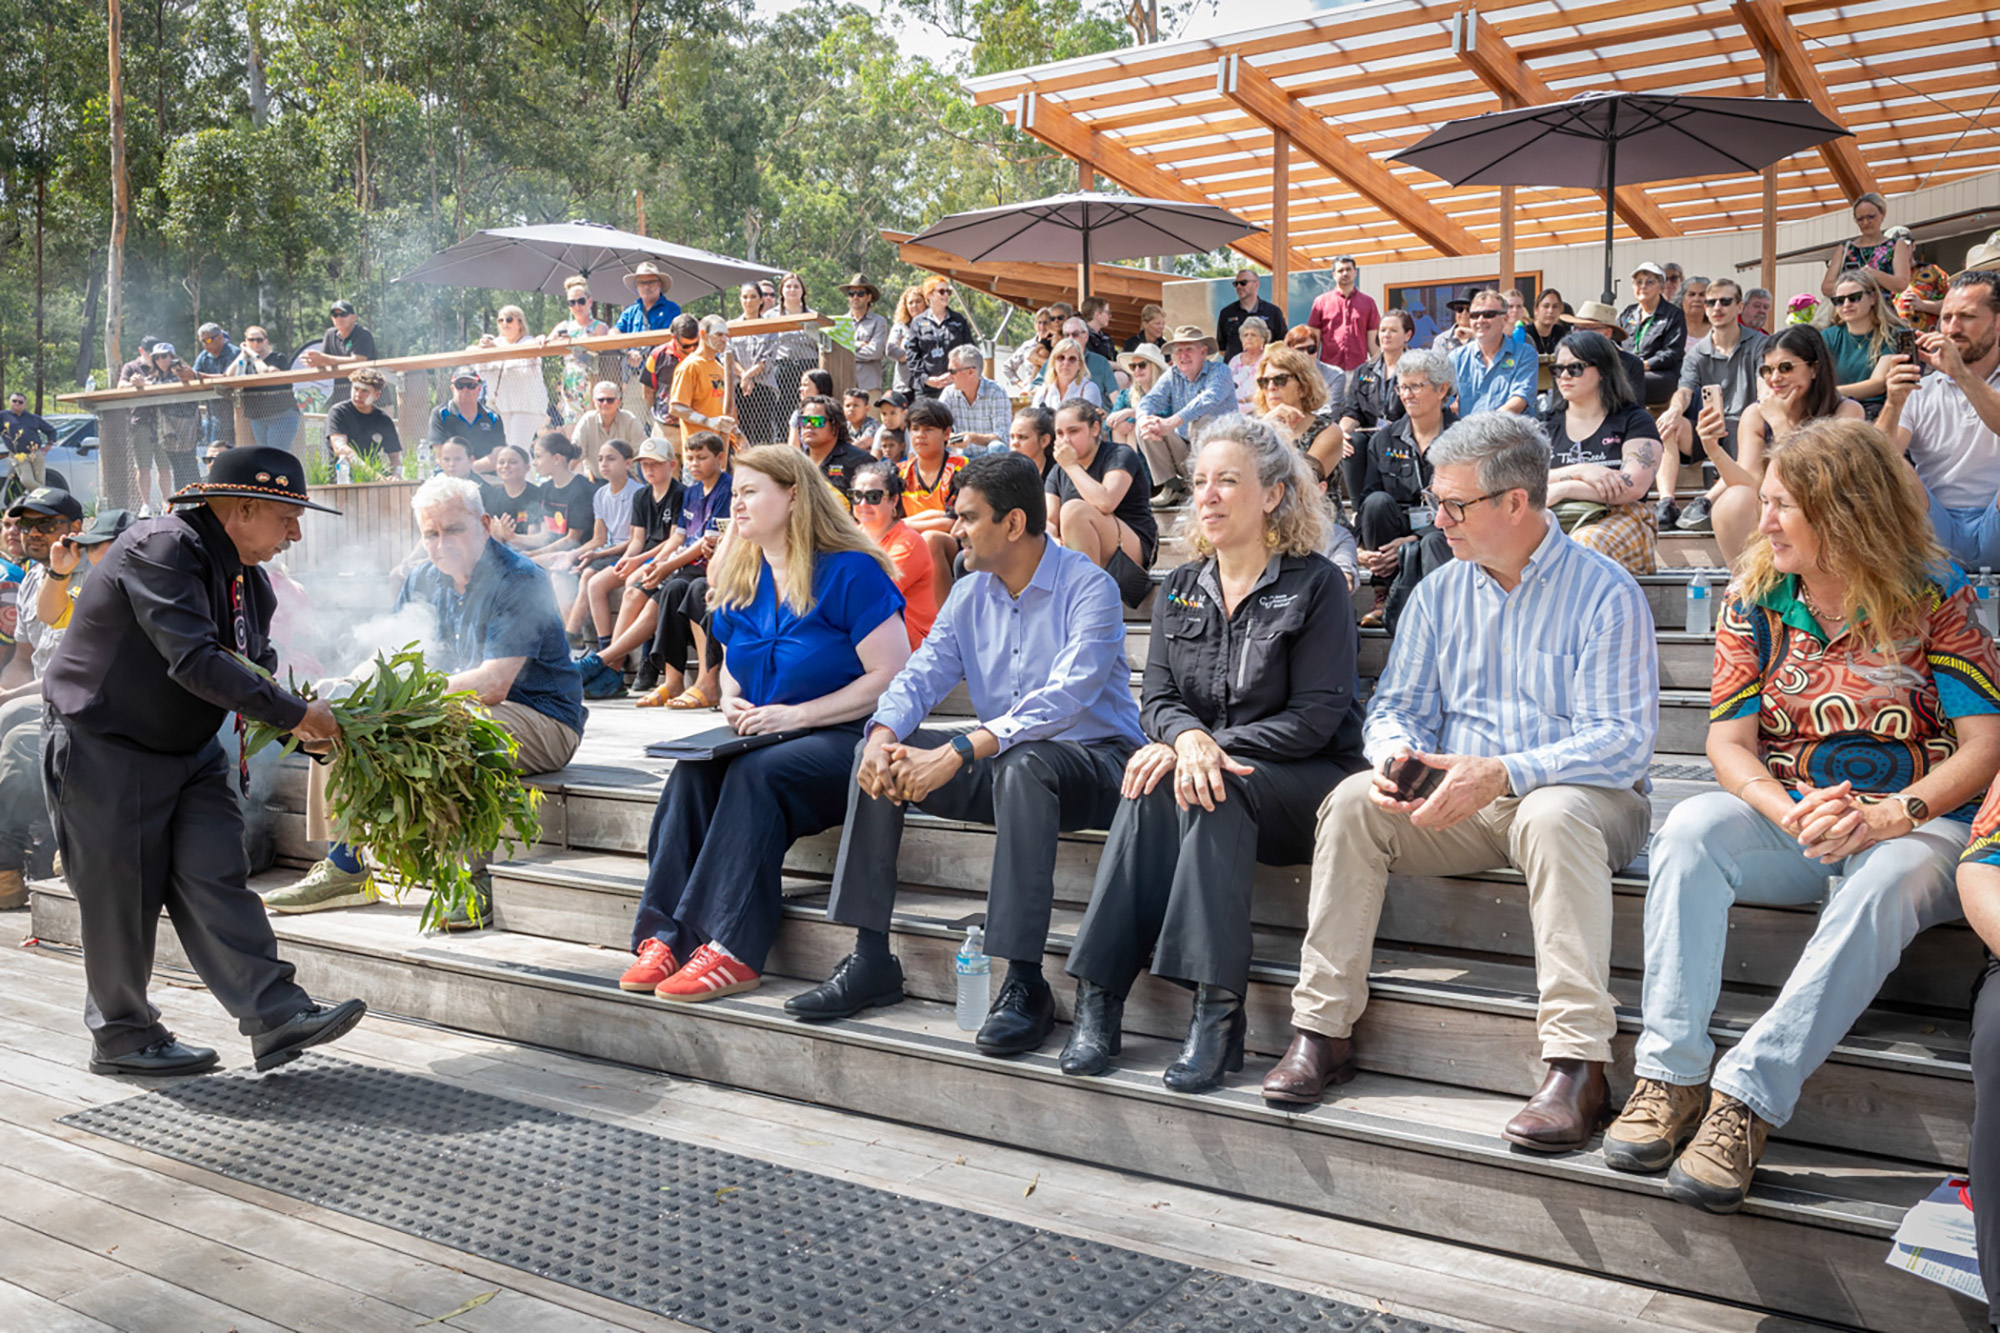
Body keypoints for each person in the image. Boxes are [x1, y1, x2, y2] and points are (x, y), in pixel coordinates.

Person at [1607, 419, 2000, 1213]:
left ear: (1845, 508)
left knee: (1888, 873)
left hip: (1919, 821)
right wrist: (1786, 813)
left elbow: (1986, 744)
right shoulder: (1758, 594)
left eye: (1784, 504)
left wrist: (1893, 814)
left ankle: (1747, 1100)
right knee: (1687, 832)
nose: (1764, 520)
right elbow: (1727, 742)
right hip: (1796, 815)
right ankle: (1671, 1074)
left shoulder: (1934, 593)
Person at [1265, 414, 1657, 1153]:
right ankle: (1323, 1027)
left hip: (1587, 800)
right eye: (1435, 503)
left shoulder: (1606, 592)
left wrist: (1505, 771)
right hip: (1463, 796)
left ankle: (1578, 1064)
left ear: (1516, 502)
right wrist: (1395, 760)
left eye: (1455, 506)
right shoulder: (1440, 592)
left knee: (1550, 814)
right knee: (1352, 801)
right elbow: (1397, 709)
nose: (1435, 520)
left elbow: (1621, 742)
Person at [785, 451, 1139, 1052]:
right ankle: (871, 958)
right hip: (1005, 763)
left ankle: (1025, 982)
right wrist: (881, 735)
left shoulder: (1090, 588)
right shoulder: (971, 593)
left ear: (1014, 524)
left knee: (1025, 764)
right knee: (880, 753)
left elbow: (1067, 700)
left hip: (1098, 765)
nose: (953, 530)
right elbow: (920, 675)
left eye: (969, 517)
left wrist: (958, 748)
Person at [1062, 418, 1365, 1090]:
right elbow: (1159, 699)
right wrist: (1187, 741)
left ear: (1274, 495)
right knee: (1150, 785)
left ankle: (1215, 1011)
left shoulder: (1317, 586)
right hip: (1218, 773)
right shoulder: (1179, 585)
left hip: (1308, 781)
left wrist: (1203, 748)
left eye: (1229, 480)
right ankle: (1101, 997)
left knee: (1211, 782)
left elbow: (1316, 718)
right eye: (1200, 481)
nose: (1209, 495)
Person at [42, 446, 365, 1075]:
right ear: (242, 509)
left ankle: (275, 1013)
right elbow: (193, 660)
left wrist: (304, 728)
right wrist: (297, 716)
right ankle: (123, 1037)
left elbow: (253, 668)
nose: (295, 534)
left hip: (188, 749)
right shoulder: (161, 548)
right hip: (105, 744)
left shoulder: (251, 579)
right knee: (121, 897)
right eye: (287, 518)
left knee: (217, 871)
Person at [614, 444, 911, 1001]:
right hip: (767, 732)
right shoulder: (747, 575)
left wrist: (800, 714)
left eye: (751, 492)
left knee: (757, 775)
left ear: (794, 496)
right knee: (691, 774)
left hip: (851, 739)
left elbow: (892, 677)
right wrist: (729, 701)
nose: (738, 505)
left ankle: (730, 946)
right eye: (736, 493)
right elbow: (729, 667)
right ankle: (667, 936)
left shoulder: (851, 572)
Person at [267, 474, 587, 927]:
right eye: (430, 534)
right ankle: (345, 868)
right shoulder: (421, 578)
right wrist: (353, 688)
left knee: (460, 723)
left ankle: (470, 878)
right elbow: (398, 655)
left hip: (542, 718)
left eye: (454, 530)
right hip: (452, 703)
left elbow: (493, 684)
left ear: (485, 523)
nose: (442, 544)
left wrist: (402, 699)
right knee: (336, 718)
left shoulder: (520, 579)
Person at [1707, 326, 1865, 561]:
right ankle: (1749, 590)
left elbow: (1821, 483)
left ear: (1814, 369)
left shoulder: (1846, 410)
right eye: (1767, 370)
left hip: (1827, 515)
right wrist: (1713, 449)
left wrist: (1781, 423)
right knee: (1733, 500)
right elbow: (1749, 483)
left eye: (1786, 368)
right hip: (1773, 512)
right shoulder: (1757, 414)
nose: (1775, 378)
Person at [1878, 271, 2000, 570]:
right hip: (1934, 527)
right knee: (1892, 465)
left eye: (1967, 317)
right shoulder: (1921, 389)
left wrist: (1961, 374)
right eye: (1946, 318)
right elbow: (1875, 459)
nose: (1953, 328)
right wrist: (1893, 403)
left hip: (1994, 520)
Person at [585, 437, 700, 695]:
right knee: (599, 582)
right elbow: (637, 540)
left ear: (672, 465)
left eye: (655, 464)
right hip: (646, 555)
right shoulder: (641, 495)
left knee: (633, 587)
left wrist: (640, 562)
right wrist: (630, 559)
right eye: (644, 464)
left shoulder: (680, 494)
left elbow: (674, 541)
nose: (648, 469)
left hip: (668, 557)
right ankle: (612, 659)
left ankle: (621, 663)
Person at [1542, 331, 1663, 575]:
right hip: (1554, 516)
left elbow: (1632, 487)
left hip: (1621, 516)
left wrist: (1564, 488)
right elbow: (1523, 481)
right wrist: (1583, 471)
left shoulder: (1634, 420)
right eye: (1558, 369)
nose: (1564, 376)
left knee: (1582, 545)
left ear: (1603, 371)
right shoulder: (1543, 424)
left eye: (1575, 368)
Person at [1351, 349, 1456, 629]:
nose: (1406, 394)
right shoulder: (1384, 439)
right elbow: (1366, 502)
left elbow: (1467, 506)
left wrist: (1413, 539)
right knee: (1376, 503)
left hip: (1443, 533)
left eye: (1416, 386)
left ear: (1441, 388)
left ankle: (1440, 611)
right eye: (1402, 387)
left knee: (1435, 541)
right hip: (1392, 536)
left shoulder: (1463, 438)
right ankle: (1382, 596)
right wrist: (1360, 548)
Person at [1654, 278, 1768, 531]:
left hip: (1749, 427)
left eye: (1725, 301)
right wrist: (1674, 410)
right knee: (1668, 425)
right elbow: (1684, 389)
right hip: (1711, 429)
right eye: (1711, 302)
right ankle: (1666, 503)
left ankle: (1705, 502)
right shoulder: (1696, 352)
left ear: (1739, 307)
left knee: (1753, 428)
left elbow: (1765, 389)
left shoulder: (1760, 344)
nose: (1717, 307)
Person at [1048, 400, 1157, 605]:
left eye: (1073, 431)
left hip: (1130, 552)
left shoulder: (1120, 455)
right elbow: (1049, 521)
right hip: (1084, 552)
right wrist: (1053, 539)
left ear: (1095, 428)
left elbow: (1106, 502)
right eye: (1060, 434)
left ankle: (1089, 603)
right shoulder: (1058, 471)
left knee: (1074, 510)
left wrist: (1072, 467)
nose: (1065, 440)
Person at [1136, 326, 1234, 507]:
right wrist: (1143, 419)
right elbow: (1149, 401)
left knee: (1200, 421)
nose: (1183, 355)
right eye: (1178, 350)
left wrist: (1172, 422)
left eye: (1189, 349)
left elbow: (1208, 400)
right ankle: (1173, 487)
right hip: (1185, 452)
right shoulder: (1172, 375)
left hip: (1224, 458)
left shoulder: (1221, 371)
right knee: (1147, 424)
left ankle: (1202, 486)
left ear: (1203, 352)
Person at [851, 459, 937, 648]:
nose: (863, 503)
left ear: (893, 500)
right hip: (872, 633)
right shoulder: (851, 538)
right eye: (857, 496)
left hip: (911, 646)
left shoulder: (909, 542)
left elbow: (876, 595)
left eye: (873, 496)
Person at [561, 440, 638, 640]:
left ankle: (572, 638)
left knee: (587, 576)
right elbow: (598, 538)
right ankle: (573, 638)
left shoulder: (638, 493)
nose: (604, 464)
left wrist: (598, 554)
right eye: (601, 459)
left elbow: (634, 541)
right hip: (606, 551)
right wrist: (573, 554)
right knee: (562, 571)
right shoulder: (601, 494)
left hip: (627, 552)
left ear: (628, 463)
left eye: (611, 459)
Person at [1337, 309, 1416, 493]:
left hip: (1403, 433)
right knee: (1352, 442)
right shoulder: (1364, 371)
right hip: (1370, 433)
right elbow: (1353, 411)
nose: (1386, 335)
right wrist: (1342, 432)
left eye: (1393, 331)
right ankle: (1358, 511)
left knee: (1380, 442)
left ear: (1407, 335)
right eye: (1382, 330)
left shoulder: (1416, 369)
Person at [1818, 269, 1902, 420]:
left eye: (1854, 298)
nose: (1846, 304)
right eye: (1839, 300)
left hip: (1875, 412)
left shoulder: (1892, 334)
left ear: (1873, 298)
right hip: (1835, 407)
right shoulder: (1827, 336)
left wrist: (1827, 394)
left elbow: (1878, 384)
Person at [1251, 345, 1343, 482]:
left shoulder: (1328, 431)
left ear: (1303, 388)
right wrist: (1266, 427)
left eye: (1280, 380)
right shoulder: (1257, 427)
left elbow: (1302, 482)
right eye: (1264, 382)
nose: (1271, 387)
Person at [124, 341, 200, 506]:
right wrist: (137, 381)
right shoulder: (154, 376)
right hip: (168, 430)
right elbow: (148, 385)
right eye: (156, 357)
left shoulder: (181, 371)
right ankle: (182, 506)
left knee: (189, 466)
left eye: (164, 356)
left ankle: (197, 504)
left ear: (172, 356)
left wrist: (146, 384)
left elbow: (172, 386)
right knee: (178, 469)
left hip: (185, 427)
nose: (160, 360)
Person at [471, 306, 551, 453]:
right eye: (500, 320)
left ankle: (523, 476)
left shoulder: (528, 342)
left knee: (517, 450)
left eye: (509, 319)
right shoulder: (497, 342)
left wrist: (495, 350)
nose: (504, 323)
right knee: (514, 451)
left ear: (520, 323)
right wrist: (482, 350)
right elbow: (482, 372)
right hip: (503, 406)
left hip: (527, 405)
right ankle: (526, 476)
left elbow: (522, 360)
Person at [1450, 290, 1536, 415]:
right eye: (1474, 315)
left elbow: (1520, 399)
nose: (1480, 320)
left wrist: (1485, 426)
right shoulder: (1457, 357)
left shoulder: (1525, 354)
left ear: (1505, 318)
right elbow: (1439, 393)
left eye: (1488, 314)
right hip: (1467, 432)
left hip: (1510, 432)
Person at [222, 327, 303, 450]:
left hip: (282, 415)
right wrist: (242, 354)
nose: (255, 343)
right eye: (251, 340)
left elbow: (265, 372)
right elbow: (229, 375)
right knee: (265, 456)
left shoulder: (278, 358)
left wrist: (254, 355)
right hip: (258, 417)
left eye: (259, 340)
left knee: (276, 455)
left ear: (266, 341)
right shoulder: (245, 362)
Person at [1822, 192, 1912, 299]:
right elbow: (1826, 287)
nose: (1865, 222)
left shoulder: (1895, 245)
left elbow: (1901, 284)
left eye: (1871, 217)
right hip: (1850, 310)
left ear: (1883, 215)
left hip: (1881, 311)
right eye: (1860, 219)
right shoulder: (1845, 248)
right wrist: (1852, 287)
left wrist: (1875, 274)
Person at [529, 432, 599, 570]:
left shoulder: (582, 490)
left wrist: (532, 554)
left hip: (576, 555)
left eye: (538, 456)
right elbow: (545, 535)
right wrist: (513, 538)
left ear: (556, 459)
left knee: (526, 566)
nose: (534, 463)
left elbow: (572, 540)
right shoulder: (544, 489)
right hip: (551, 552)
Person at [1618, 263, 1687, 405]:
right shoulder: (1628, 313)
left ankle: (1634, 422)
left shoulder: (1674, 315)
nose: (1643, 286)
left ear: (1661, 288)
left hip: (1660, 374)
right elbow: (1614, 340)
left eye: (1650, 282)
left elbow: (1673, 352)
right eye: (1639, 282)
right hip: (1627, 370)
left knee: (1632, 380)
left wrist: (1644, 365)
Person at [669, 314, 739, 451]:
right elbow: (676, 407)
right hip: (697, 452)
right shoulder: (690, 366)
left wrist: (738, 438)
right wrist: (708, 422)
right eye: (718, 334)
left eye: (726, 335)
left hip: (719, 449)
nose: (724, 339)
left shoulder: (719, 367)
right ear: (703, 334)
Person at [766, 271, 824, 431]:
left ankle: (809, 440)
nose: (792, 290)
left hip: (808, 367)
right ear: (782, 290)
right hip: (782, 368)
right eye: (788, 286)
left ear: (803, 291)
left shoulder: (812, 315)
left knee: (810, 408)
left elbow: (820, 343)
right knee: (782, 411)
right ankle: (784, 444)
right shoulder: (770, 316)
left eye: (796, 286)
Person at [550, 276, 611, 423]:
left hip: (592, 382)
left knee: (593, 428)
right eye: (572, 302)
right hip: (570, 383)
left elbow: (596, 361)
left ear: (590, 302)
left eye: (581, 301)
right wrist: (541, 338)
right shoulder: (564, 326)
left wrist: (571, 346)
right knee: (572, 431)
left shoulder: (599, 327)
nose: (577, 306)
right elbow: (545, 344)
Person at [1562, 300, 1648, 404]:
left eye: (1585, 330)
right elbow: (1559, 406)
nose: (1578, 335)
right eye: (1576, 328)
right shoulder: (1566, 362)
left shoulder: (1631, 364)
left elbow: (1635, 408)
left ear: (1607, 333)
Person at [904, 280, 977, 402]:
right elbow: (912, 356)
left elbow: (969, 351)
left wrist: (955, 374)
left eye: (948, 292)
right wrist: (926, 379)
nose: (946, 295)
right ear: (929, 295)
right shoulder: (917, 322)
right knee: (926, 420)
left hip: (955, 386)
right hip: (926, 390)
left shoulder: (959, 320)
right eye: (942, 292)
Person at [1307, 256, 1380, 376]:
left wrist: (1379, 369)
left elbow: (1373, 342)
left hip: (1359, 371)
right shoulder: (1320, 302)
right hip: (1328, 370)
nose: (1345, 273)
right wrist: (1311, 370)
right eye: (1340, 270)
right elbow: (1314, 340)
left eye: (1348, 269)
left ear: (1355, 273)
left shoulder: (1368, 303)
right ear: (1334, 274)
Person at [325, 367, 402, 473]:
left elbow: (395, 457)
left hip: (376, 479)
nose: (358, 395)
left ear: (377, 395)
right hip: (342, 477)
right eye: (356, 388)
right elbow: (341, 448)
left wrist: (396, 475)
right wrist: (370, 473)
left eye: (365, 391)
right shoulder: (338, 412)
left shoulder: (384, 420)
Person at [731, 283, 782, 444]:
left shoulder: (770, 326)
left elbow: (767, 359)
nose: (749, 301)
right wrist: (744, 377)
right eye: (745, 297)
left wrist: (748, 375)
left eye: (753, 297)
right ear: (740, 299)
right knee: (741, 432)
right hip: (738, 387)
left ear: (761, 300)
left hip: (763, 386)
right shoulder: (731, 326)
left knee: (764, 433)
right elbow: (728, 357)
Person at [638, 315, 700, 443]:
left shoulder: (706, 355)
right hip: (666, 429)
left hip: (698, 426)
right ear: (674, 338)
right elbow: (648, 391)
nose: (692, 349)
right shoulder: (657, 356)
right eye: (686, 346)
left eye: (696, 344)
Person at [428, 370, 508, 469]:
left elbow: (499, 454)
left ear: (479, 389)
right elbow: (440, 455)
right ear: (453, 389)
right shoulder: (440, 414)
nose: (465, 390)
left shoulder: (493, 416)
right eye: (459, 385)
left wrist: (473, 468)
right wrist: (463, 471)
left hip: (486, 473)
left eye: (470, 385)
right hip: (449, 473)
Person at [306, 300, 377, 408]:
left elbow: (359, 361)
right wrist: (313, 361)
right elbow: (323, 362)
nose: (339, 318)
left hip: (371, 400)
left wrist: (324, 359)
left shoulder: (363, 334)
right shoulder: (330, 334)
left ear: (353, 317)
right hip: (343, 399)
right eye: (335, 315)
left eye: (343, 314)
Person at [939, 345, 1013, 448]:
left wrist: (972, 438)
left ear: (970, 372)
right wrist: (949, 436)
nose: (949, 376)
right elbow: (937, 425)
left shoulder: (996, 392)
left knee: (997, 447)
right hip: (962, 458)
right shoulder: (949, 393)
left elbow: (1003, 437)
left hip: (991, 459)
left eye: (953, 371)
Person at [478, 443, 544, 548]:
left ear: (527, 468)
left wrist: (512, 537)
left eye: (513, 462)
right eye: (501, 462)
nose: (506, 466)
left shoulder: (538, 495)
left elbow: (536, 538)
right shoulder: (491, 496)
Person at [1218, 270, 1287, 363]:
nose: (1239, 287)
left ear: (1256, 285)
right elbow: (1222, 349)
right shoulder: (1226, 313)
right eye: (1236, 284)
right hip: (1234, 373)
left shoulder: (1273, 312)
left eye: (1243, 283)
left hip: (1265, 372)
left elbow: (1282, 344)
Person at [839, 274, 889, 394]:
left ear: (869, 297)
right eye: (851, 293)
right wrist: (858, 345)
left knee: (871, 414)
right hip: (843, 385)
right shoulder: (839, 322)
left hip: (870, 386)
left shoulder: (879, 321)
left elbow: (875, 352)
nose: (855, 297)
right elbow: (837, 350)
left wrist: (846, 354)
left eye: (860, 293)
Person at [572, 379, 644, 458]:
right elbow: (575, 453)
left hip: (625, 470)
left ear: (618, 402)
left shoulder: (629, 420)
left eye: (610, 400)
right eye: (601, 400)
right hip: (594, 471)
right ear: (594, 402)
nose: (605, 403)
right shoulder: (587, 421)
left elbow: (642, 451)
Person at [1032, 338, 1103, 415]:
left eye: (1072, 359)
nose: (1066, 363)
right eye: (1061, 358)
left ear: (1080, 364)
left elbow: (1090, 423)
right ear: (1053, 362)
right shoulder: (1044, 390)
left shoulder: (1089, 389)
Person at [616, 261, 681, 335]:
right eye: (642, 283)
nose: (646, 287)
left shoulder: (672, 309)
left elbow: (672, 336)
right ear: (637, 286)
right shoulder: (630, 312)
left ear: (659, 284)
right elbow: (616, 330)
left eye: (651, 282)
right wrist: (615, 334)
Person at [885, 285, 925, 398]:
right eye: (910, 302)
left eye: (918, 301)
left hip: (925, 386)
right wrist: (916, 354)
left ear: (926, 303)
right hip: (903, 386)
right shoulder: (900, 326)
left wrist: (905, 348)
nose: (914, 306)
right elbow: (891, 350)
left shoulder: (932, 326)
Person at [785, 370, 838, 450]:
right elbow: (793, 448)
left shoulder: (834, 411)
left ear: (819, 387)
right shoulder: (798, 413)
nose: (800, 389)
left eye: (805, 385)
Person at [0, 391, 56, 463]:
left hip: (36, 454)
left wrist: (48, 446)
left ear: (25, 404)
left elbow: (51, 431)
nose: (17, 403)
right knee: (26, 475)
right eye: (14, 401)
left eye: (20, 402)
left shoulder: (33, 418)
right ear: (9, 402)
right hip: (18, 456)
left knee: (40, 475)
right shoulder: (2, 416)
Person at [1228, 317, 1270, 412]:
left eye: (1253, 335)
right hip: (1233, 408)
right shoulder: (1234, 361)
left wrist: (1243, 400)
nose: (1249, 338)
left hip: (1258, 407)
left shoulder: (1267, 359)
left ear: (1263, 339)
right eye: (1245, 335)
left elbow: (1267, 390)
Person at [1521, 289, 1567, 357]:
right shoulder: (1525, 333)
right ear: (1536, 310)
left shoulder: (1560, 332)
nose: (1550, 311)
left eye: (1555, 306)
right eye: (1546, 306)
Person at [1079, 297, 1119, 363]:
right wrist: (1118, 366)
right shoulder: (1081, 336)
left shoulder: (1106, 338)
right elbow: (1091, 361)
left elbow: (1115, 357)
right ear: (1097, 315)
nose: (1110, 316)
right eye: (1108, 312)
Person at [1679, 275, 1710, 350]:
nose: (1696, 299)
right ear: (1682, 300)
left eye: (1702, 295)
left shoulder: (1718, 329)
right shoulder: (1672, 328)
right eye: (1691, 294)